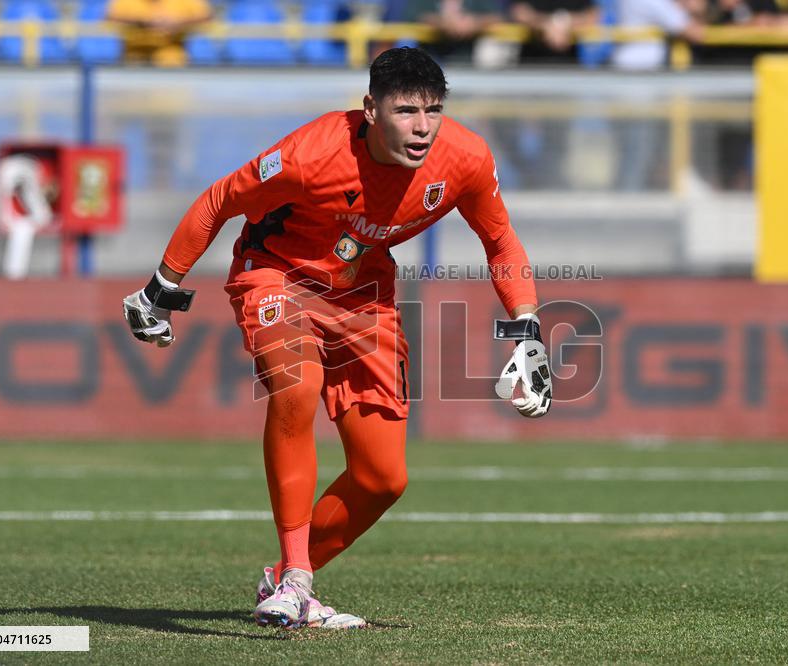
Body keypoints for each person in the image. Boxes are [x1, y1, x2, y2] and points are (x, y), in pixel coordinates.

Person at [122, 47, 553, 630]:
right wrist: (161, 288)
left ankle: (281, 579)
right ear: (370, 108)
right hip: (275, 273)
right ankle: (298, 579)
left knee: (383, 478)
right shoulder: (310, 153)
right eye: (407, 111)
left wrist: (527, 332)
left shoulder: (466, 158)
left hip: (363, 293)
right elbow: (219, 201)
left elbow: (501, 242)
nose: (423, 127)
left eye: (433, 110)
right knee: (295, 385)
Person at [106, 0, 212, 67]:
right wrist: (143, 22)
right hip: (134, 60)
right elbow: (111, 19)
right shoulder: (125, 2)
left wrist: (178, 22)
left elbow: (206, 18)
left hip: (173, 61)